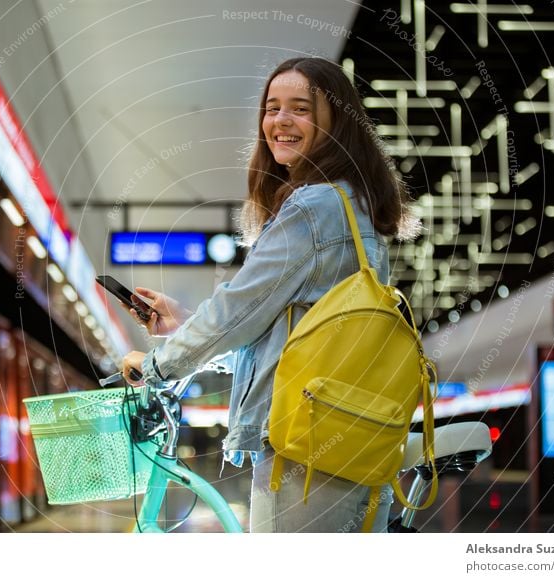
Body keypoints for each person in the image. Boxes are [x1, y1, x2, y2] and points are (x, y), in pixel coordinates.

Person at [122, 56, 417, 532]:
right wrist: (184, 325)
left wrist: (156, 366)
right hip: (352, 434)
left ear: (335, 121)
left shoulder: (313, 205)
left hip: (305, 444)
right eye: (272, 107)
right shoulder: (355, 205)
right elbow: (288, 337)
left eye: (300, 108)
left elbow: (238, 308)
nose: (280, 121)